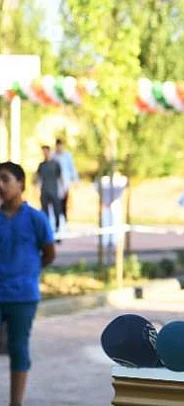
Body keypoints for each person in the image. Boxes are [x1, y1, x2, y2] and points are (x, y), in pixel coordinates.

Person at [0, 161, 56, 406]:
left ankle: (16, 403)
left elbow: (49, 253)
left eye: (5, 179)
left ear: (20, 183)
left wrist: (29, 271)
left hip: (23, 296)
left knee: (19, 349)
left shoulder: (36, 219)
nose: (0, 185)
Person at [36, 145, 63, 237]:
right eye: (43, 151)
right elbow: (38, 178)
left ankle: (57, 230)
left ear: (49, 151)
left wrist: (63, 189)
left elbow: (60, 177)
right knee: (44, 212)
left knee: (57, 211)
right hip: (44, 190)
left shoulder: (55, 164)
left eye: (46, 151)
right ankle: (47, 232)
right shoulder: (41, 165)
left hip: (54, 190)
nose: (45, 153)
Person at [52, 139, 79, 228]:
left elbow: (72, 168)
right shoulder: (53, 156)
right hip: (56, 182)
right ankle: (58, 217)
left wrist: (75, 180)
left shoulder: (67, 156)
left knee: (64, 199)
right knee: (56, 200)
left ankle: (64, 217)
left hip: (65, 181)